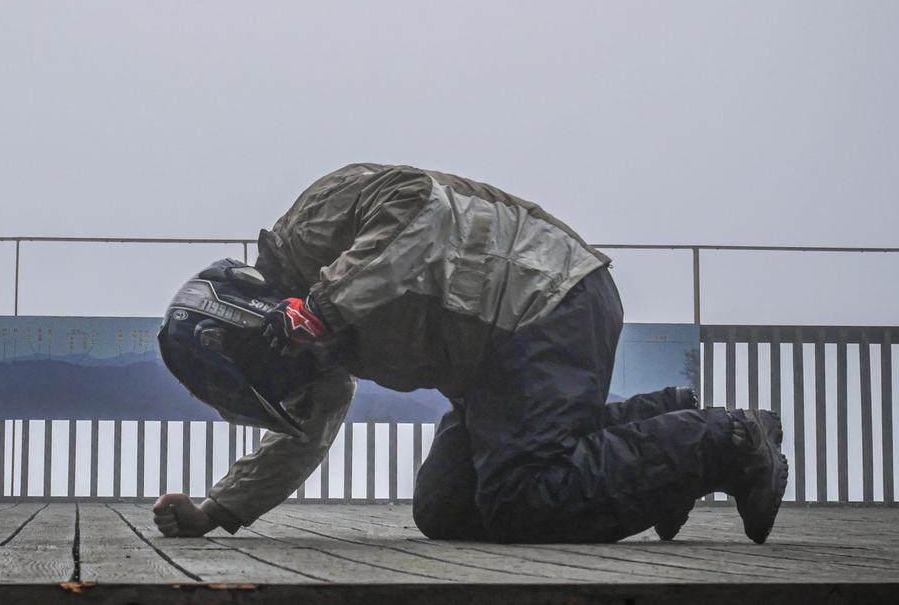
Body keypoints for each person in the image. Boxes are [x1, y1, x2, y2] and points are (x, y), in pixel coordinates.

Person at [153, 163, 787, 544]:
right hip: (495, 367)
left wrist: (326, 305)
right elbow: (305, 433)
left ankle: (723, 440)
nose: (298, 372)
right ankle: (664, 426)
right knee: (445, 509)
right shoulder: (310, 343)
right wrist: (217, 510)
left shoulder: (313, 227)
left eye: (278, 365)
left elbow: (419, 206)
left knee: (523, 497)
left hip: (546, 293)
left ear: (248, 312)